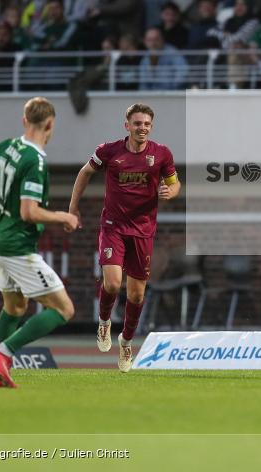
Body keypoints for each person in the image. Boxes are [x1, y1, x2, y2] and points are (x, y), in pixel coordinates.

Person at [0, 97, 78, 388]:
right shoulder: (34, 161)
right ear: (50, 124)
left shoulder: (7, 147)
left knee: (14, 307)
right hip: (18, 246)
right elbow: (29, 212)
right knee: (64, 309)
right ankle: (2, 352)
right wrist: (63, 216)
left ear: (24, 120)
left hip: (0, 238)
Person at [68, 103, 181, 371]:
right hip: (113, 226)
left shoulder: (162, 154)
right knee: (112, 282)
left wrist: (170, 192)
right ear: (127, 125)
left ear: (151, 127)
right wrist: (73, 207)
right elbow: (85, 173)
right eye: (137, 123)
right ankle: (104, 323)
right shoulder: (109, 151)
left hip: (143, 230)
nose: (142, 128)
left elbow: (175, 182)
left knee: (137, 294)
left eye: (146, 124)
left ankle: (127, 341)